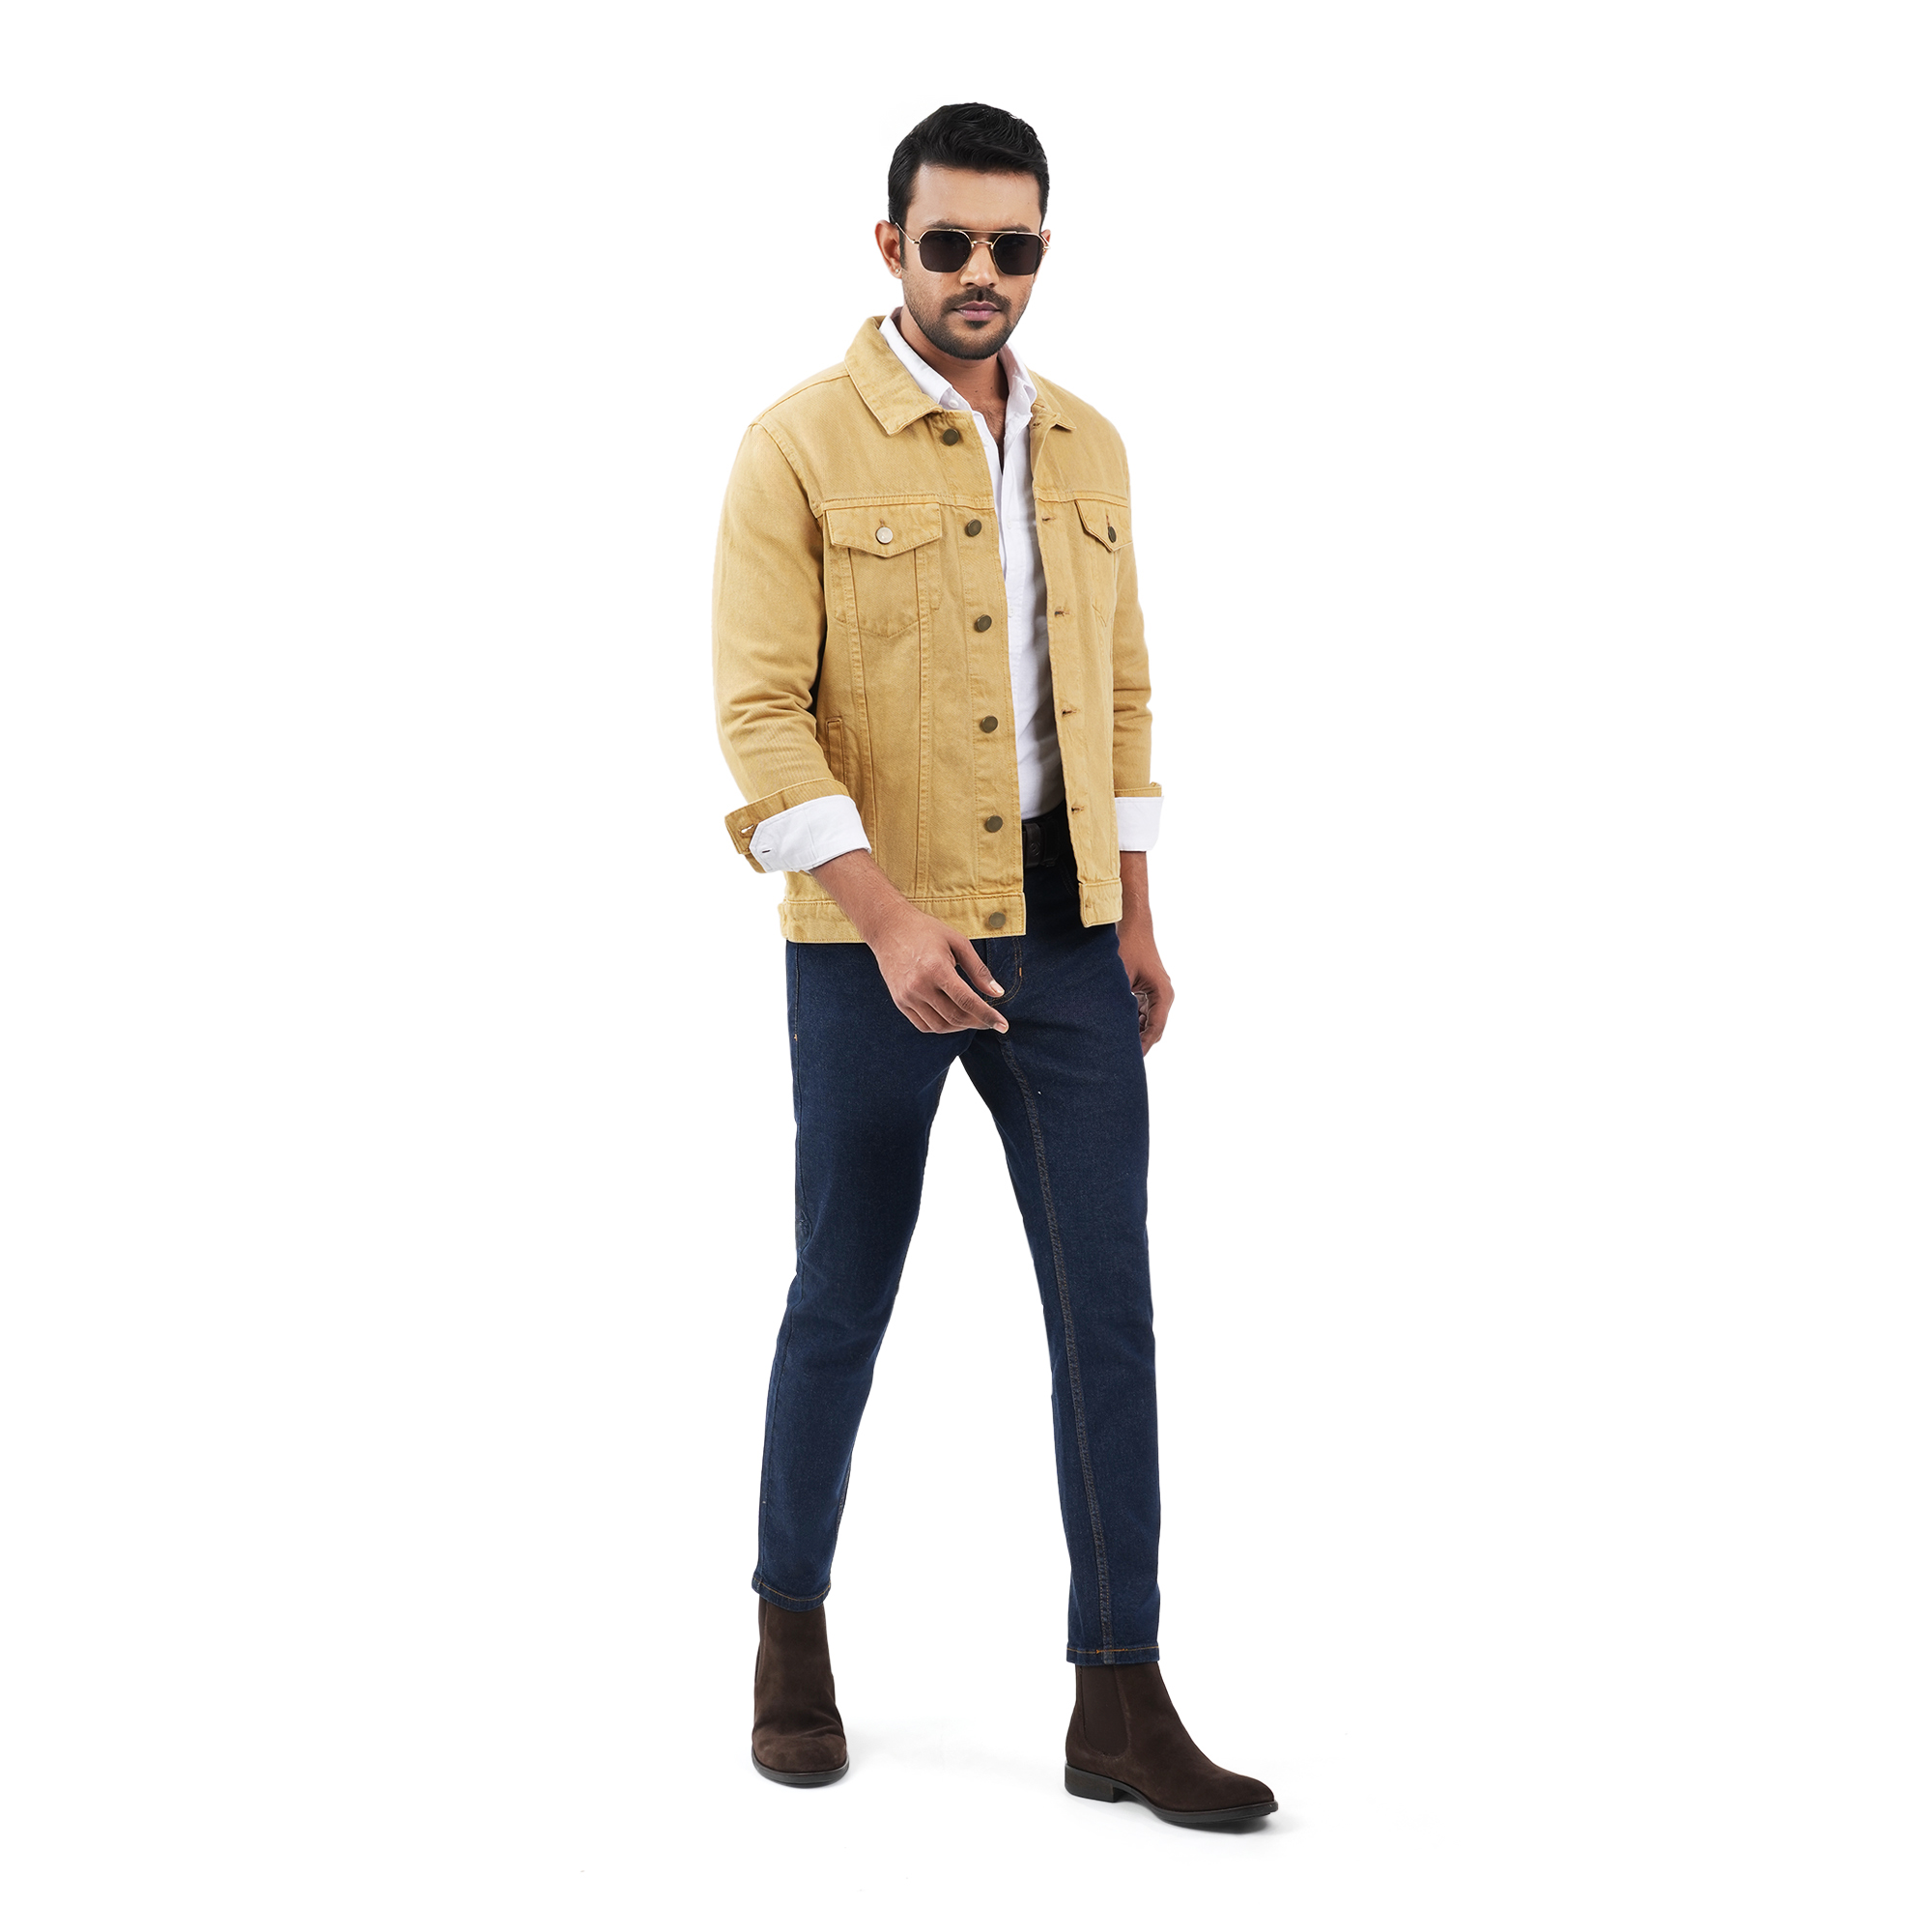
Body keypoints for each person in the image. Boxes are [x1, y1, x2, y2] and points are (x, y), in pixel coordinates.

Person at [712, 101, 1274, 1827]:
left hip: (1071, 937)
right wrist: (887, 919)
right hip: (870, 939)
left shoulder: (1090, 444)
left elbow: (1120, 691)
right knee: (843, 1291)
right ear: (891, 246)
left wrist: (1136, 908)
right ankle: (789, 1633)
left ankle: (1121, 1697)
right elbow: (760, 717)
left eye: (1011, 246)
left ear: (1042, 252)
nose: (980, 272)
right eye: (948, 241)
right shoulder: (797, 446)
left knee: (1110, 1314)